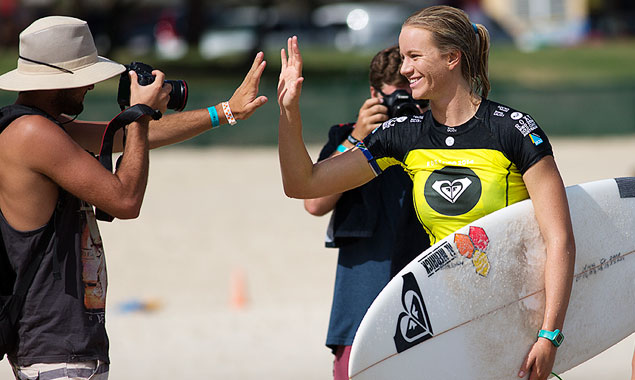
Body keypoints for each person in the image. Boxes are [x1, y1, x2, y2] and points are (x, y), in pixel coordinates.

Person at [277, 6, 575, 380]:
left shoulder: (512, 131)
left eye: (414, 56)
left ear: (452, 58)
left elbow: (559, 238)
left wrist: (549, 335)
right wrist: (289, 113)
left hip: (513, 321)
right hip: (445, 320)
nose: (404, 69)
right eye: (403, 57)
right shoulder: (403, 134)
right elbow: (304, 185)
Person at [0, 16, 267, 379]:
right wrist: (139, 115)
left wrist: (226, 112)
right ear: (56, 81)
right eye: (83, 78)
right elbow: (125, 201)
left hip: (56, 347)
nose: (91, 87)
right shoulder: (33, 133)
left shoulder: (36, 127)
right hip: (56, 351)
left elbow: (126, 139)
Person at [303, 46, 429, 379]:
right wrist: (359, 137)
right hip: (363, 277)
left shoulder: (438, 136)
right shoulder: (347, 136)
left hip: (424, 269)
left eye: (411, 97)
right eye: (395, 98)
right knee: (355, 366)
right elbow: (314, 203)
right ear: (374, 95)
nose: (405, 108)